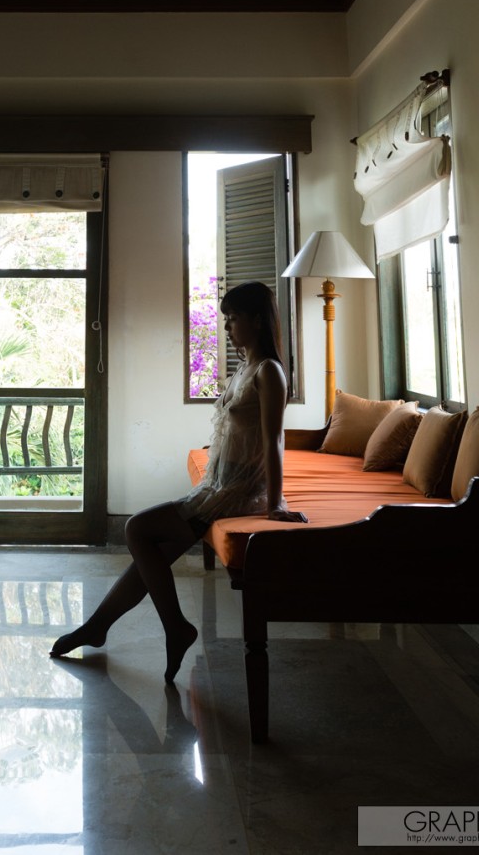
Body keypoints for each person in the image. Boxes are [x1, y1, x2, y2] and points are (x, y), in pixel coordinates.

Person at [50, 280, 308, 683]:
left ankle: (174, 628)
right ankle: (97, 627)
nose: (227, 326)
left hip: (239, 493)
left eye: (233, 318)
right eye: (225, 318)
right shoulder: (244, 368)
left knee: (137, 529)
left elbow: (274, 439)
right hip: (219, 484)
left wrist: (275, 504)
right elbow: (240, 427)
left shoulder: (269, 371)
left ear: (257, 320)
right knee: (150, 553)